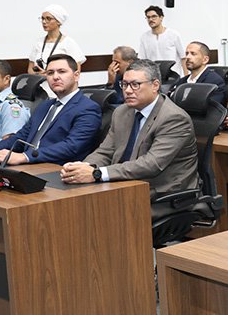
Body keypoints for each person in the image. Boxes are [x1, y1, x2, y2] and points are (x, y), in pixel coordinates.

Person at [60, 59, 199, 218]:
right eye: (124, 84)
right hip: (126, 184)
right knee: (71, 205)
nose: (128, 90)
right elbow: (105, 152)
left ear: (155, 85)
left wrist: (97, 173)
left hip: (162, 194)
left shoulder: (173, 118)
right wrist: (82, 167)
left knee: (94, 214)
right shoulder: (122, 112)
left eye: (135, 85)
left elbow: (151, 165)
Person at [0, 54, 99, 165]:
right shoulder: (46, 105)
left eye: (62, 72)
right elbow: (21, 137)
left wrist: (24, 156)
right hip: (29, 165)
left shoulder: (88, 108)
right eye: (50, 73)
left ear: (76, 75)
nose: (55, 77)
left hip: (55, 169)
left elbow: (72, 147)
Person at [28, 4, 85, 74]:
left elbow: (76, 71)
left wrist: (48, 75)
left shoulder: (68, 42)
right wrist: (39, 75)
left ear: (58, 21)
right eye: (42, 18)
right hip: (38, 80)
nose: (44, 22)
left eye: (48, 18)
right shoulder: (39, 42)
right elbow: (30, 69)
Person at [138, 5, 184, 74]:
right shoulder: (144, 37)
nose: (151, 19)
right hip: (154, 75)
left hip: (173, 75)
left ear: (161, 17)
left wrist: (185, 77)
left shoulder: (173, 34)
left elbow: (183, 57)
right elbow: (142, 60)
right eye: (148, 17)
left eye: (154, 16)